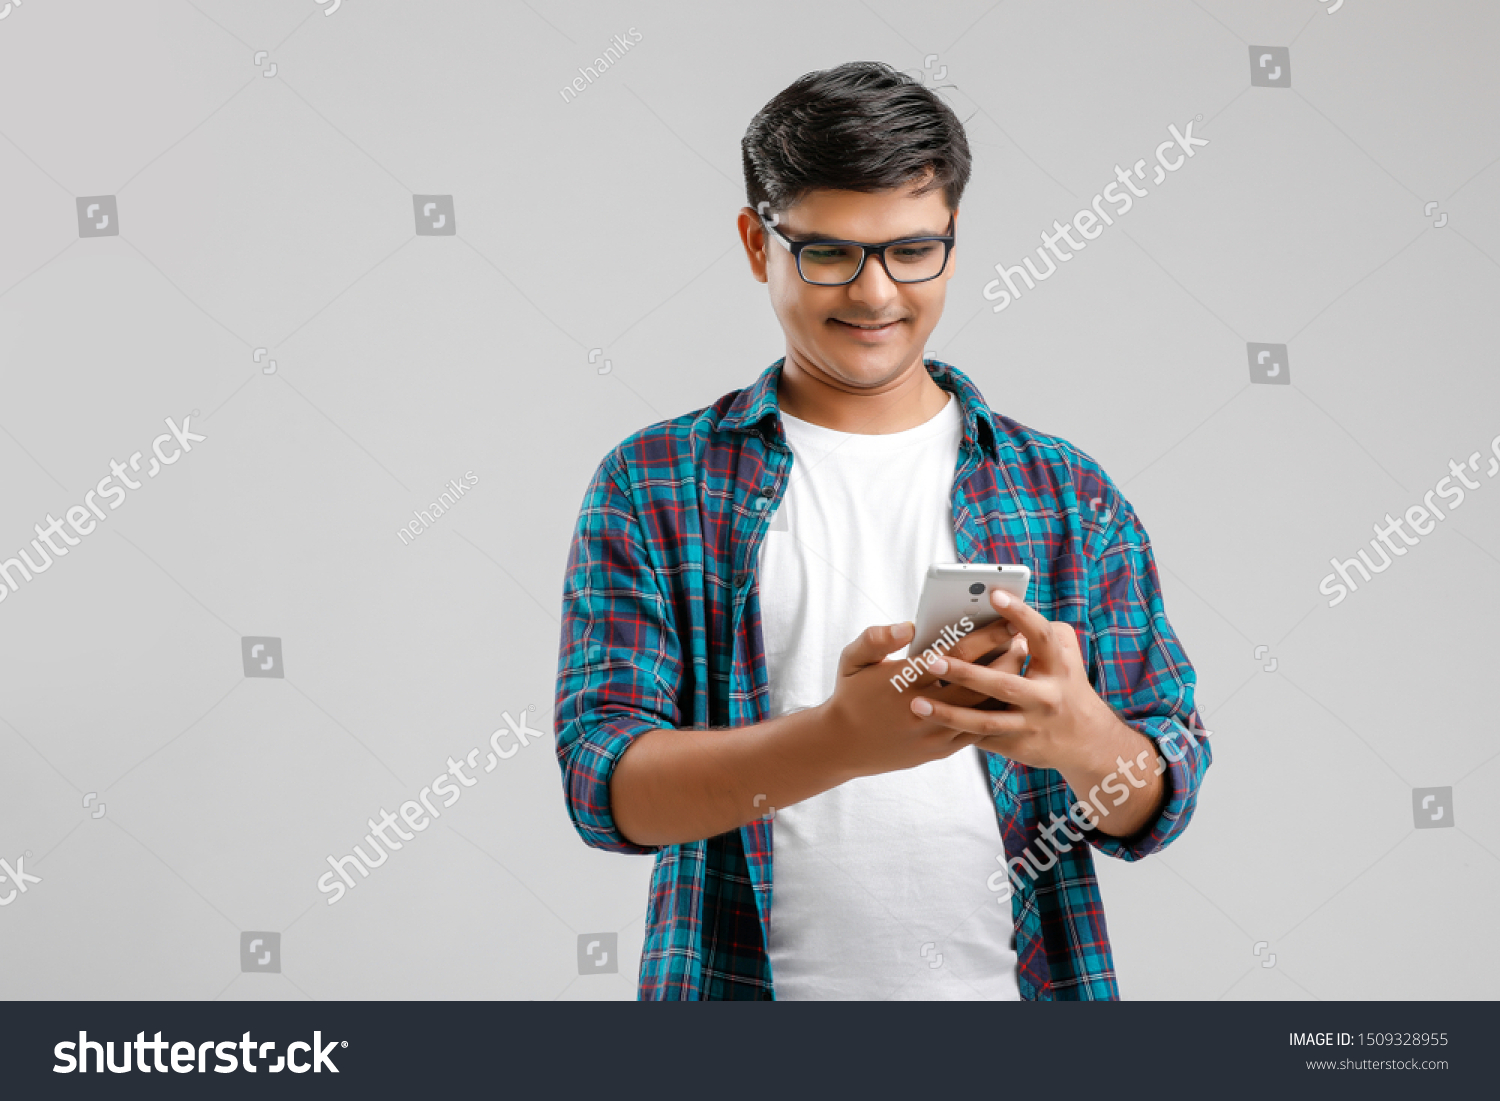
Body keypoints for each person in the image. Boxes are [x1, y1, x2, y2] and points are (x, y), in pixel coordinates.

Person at [552, 60, 1211, 1000]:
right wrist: (838, 740)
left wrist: (1080, 737)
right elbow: (602, 786)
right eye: (830, 253)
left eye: (911, 250)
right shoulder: (657, 482)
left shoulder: (1065, 491)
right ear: (756, 243)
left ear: (951, 238)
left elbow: (1155, 796)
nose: (874, 294)